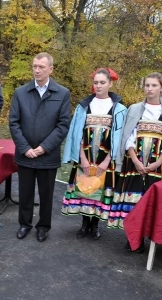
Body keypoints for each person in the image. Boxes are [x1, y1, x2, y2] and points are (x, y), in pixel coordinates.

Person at [9, 52, 71, 242]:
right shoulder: (21, 92)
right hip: (25, 153)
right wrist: (25, 147)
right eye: (34, 66)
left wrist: (44, 148)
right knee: (25, 192)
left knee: (46, 194)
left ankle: (43, 226)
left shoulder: (62, 93)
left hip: (48, 155)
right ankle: (24, 224)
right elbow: (14, 122)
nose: (37, 70)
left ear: (50, 69)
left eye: (41, 67)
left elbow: (63, 125)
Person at [62, 68, 127, 240]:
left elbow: (119, 138)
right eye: (96, 82)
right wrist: (81, 157)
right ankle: (84, 224)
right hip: (86, 155)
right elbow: (77, 133)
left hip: (104, 158)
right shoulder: (83, 107)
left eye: (102, 82)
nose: (98, 86)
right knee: (85, 188)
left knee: (99, 191)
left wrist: (108, 160)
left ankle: (95, 225)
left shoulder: (119, 109)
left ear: (110, 84)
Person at [110, 72, 162, 253]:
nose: (150, 89)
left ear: (161, 87)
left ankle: (152, 239)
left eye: (154, 85)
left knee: (153, 201)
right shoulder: (134, 109)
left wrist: (157, 163)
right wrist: (135, 160)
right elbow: (128, 136)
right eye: (147, 85)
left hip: (158, 165)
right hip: (135, 162)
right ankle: (134, 239)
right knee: (134, 199)